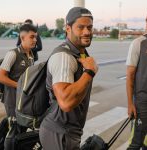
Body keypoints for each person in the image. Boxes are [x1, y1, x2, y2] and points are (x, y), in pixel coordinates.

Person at [39, 7, 98, 150]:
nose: (87, 32)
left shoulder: (80, 53)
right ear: (68, 28)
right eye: (81, 27)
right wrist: (89, 72)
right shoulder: (64, 57)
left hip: (69, 132)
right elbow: (65, 102)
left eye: (89, 27)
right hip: (59, 133)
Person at [0, 24, 37, 117]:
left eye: (35, 37)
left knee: (22, 128)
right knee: (14, 128)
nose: (35, 40)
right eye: (32, 37)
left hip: (23, 99)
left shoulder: (31, 55)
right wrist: (19, 86)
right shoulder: (13, 54)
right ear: (22, 38)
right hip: (12, 100)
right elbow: (0, 76)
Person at [126, 14, 147, 150]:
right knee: (136, 141)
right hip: (142, 102)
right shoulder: (138, 43)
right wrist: (130, 104)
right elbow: (130, 76)